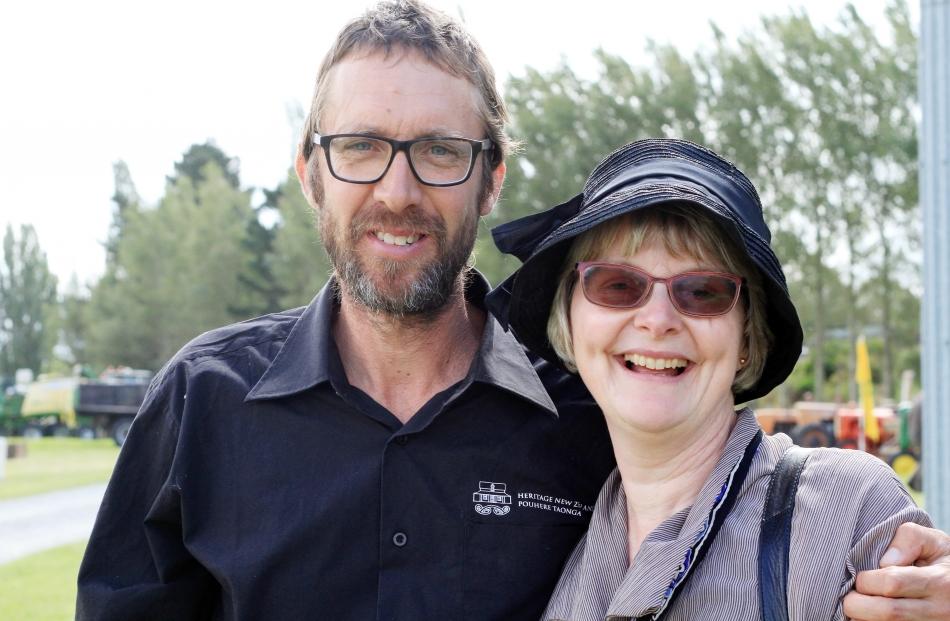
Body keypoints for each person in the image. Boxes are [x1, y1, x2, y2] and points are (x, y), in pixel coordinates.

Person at [76, 2, 950, 620]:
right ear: (310, 172)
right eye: (360, 148)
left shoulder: (590, 413)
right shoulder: (200, 400)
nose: (398, 188)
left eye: (441, 152)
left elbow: (743, 477)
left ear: (492, 177)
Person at [484, 137, 939, 620]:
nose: (657, 320)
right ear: (570, 325)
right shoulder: (566, 551)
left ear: (746, 337)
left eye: (702, 291)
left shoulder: (840, 513)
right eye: (617, 285)